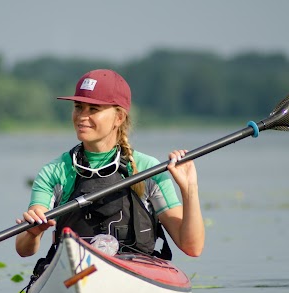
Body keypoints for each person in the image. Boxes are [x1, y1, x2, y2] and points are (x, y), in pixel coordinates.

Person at [15, 69, 204, 269]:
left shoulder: (148, 169)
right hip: (73, 272)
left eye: (93, 109)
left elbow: (192, 247)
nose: (82, 117)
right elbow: (23, 249)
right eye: (78, 107)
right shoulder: (54, 172)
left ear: (119, 117)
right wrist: (33, 233)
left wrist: (189, 189)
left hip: (136, 274)